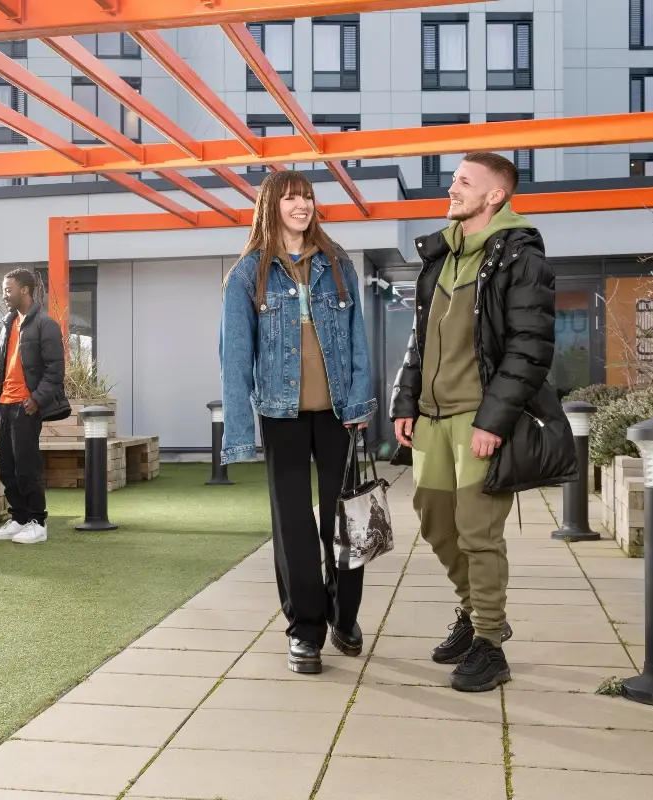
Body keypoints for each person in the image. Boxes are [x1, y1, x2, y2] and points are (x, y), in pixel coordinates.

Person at [390, 152, 576, 692]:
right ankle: (474, 614)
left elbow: (529, 347)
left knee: (478, 531)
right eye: (454, 180)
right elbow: (420, 342)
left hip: (479, 418)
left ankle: (490, 644)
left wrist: (494, 419)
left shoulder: (521, 258)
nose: (453, 188)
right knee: (434, 521)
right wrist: (407, 402)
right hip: (431, 416)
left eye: (464, 182)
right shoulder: (440, 256)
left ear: (495, 195)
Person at [219, 170, 377, 675]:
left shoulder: (338, 264)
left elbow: (357, 342)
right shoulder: (248, 274)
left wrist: (358, 405)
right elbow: (235, 357)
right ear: (270, 206)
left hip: (339, 418)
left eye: (306, 197)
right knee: (293, 529)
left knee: (347, 522)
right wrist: (241, 432)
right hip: (279, 416)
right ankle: (305, 631)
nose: (301, 205)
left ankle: (344, 617)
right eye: (290, 198)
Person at [0, 268, 69, 545]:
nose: (4, 295)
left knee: (27, 466)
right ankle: (19, 518)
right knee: (7, 466)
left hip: (26, 406)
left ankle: (37, 522)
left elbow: (55, 371)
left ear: (24, 290)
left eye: (8, 289)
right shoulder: (8, 325)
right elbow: (2, 368)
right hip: (5, 405)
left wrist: (36, 399)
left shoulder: (45, 325)